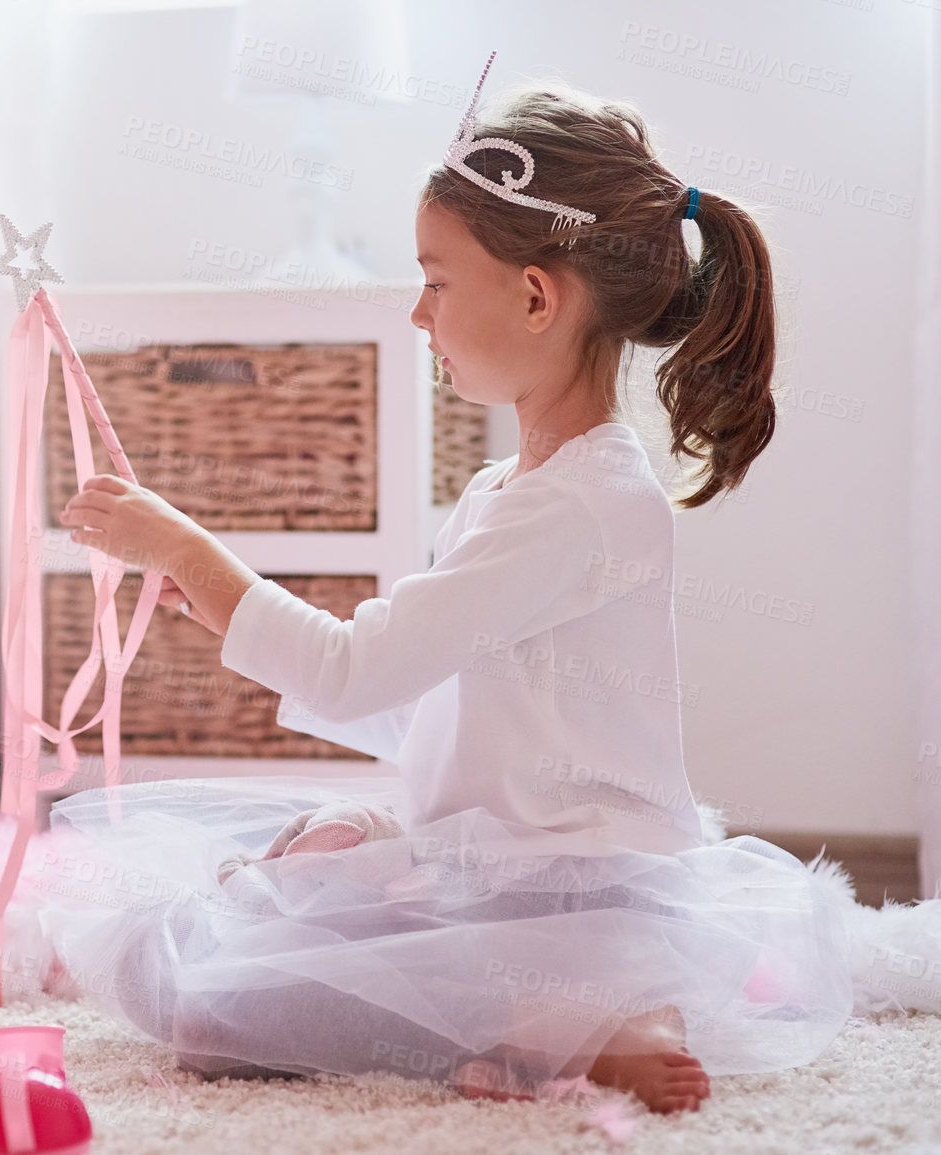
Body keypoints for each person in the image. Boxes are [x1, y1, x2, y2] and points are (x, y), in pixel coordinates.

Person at [47, 64, 851, 1115]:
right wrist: (230, 618)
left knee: (201, 1007)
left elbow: (351, 673)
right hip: (506, 862)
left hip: (571, 895)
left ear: (533, 297)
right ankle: (563, 1015)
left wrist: (191, 552)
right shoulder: (513, 490)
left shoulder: (576, 507)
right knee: (247, 917)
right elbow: (413, 700)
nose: (415, 311)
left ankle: (594, 1019)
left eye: (435, 279)